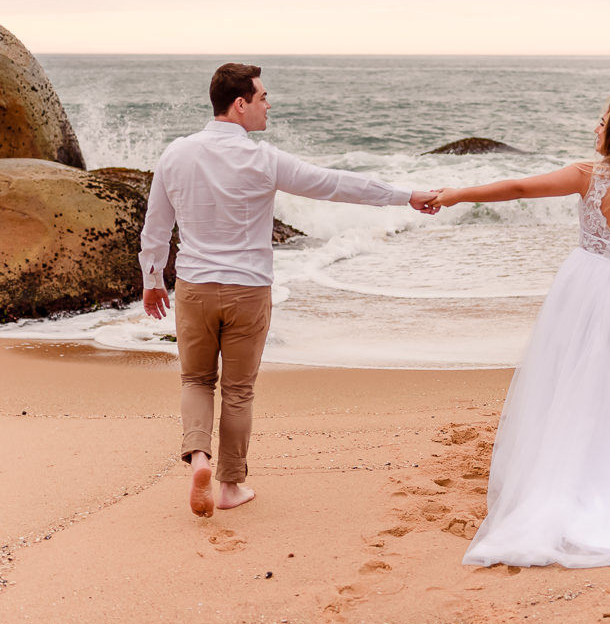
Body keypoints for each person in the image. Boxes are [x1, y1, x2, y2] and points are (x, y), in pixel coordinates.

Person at [140, 63, 438, 518]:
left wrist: (151, 278)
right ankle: (229, 487)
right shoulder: (264, 160)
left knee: (196, 380)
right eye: (262, 98)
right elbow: (336, 184)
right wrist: (407, 195)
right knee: (238, 390)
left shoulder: (176, 154)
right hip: (248, 292)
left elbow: (156, 226)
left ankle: (199, 457)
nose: (268, 105)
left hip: (195, 288)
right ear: (239, 105)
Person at [430, 97, 610, 568]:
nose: (595, 128)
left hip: (584, 280)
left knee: (571, 370)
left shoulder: (587, 176)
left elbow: (517, 187)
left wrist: (458, 193)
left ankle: (566, 468)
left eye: (602, 122)